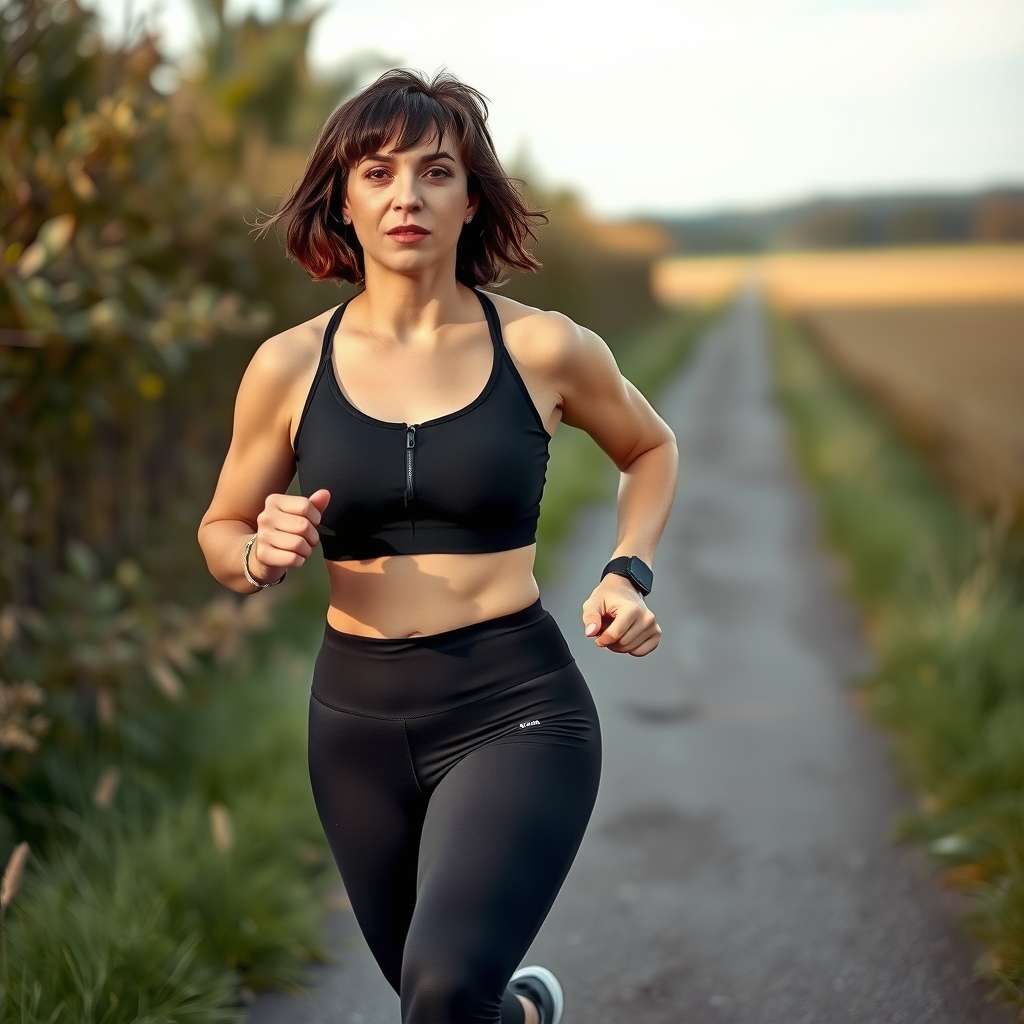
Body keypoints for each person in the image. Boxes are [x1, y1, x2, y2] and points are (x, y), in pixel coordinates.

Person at [198, 69, 678, 1024]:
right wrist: (259, 550)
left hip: (516, 705)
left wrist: (629, 567)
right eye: (377, 173)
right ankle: (527, 1016)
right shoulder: (288, 365)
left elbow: (650, 447)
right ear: (343, 198)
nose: (406, 196)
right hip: (356, 724)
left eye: (435, 171)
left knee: (444, 992)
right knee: (444, 1002)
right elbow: (219, 530)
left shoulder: (545, 349)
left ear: (471, 200)